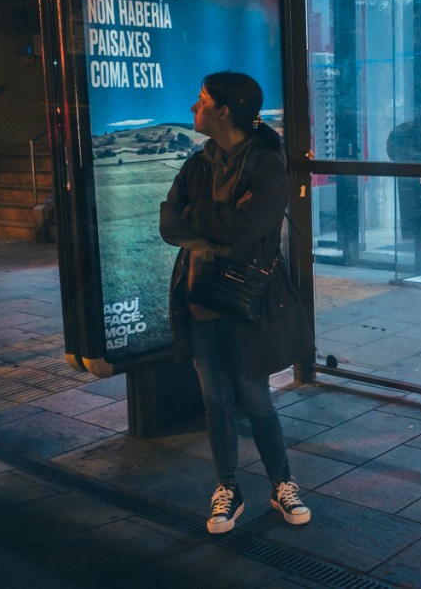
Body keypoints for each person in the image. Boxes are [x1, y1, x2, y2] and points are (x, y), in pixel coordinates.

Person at [159, 71, 315, 534]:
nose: (194, 107)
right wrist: (219, 222)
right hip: (199, 296)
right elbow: (169, 224)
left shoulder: (266, 164)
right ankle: (227, 487)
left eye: (201, 100)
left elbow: (247, 230)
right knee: (215, 399)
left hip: (249, 299)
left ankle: (281, 482)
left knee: (254, 396)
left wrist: (199, 216)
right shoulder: (198, 163)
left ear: (225, 111)